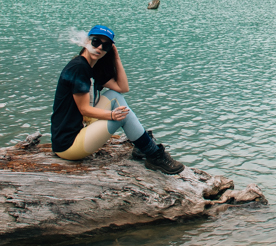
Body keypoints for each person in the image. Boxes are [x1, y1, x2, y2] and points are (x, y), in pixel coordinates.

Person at [50, 25, 185, 174]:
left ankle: (142, 145)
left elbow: (122, 88)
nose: (100, 47)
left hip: (78, 129)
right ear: (86, 42)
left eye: (106, 45)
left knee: (115, 96)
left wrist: (116, 57)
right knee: (122, 116)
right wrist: (112, 116)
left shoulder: (91, 67)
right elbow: (84, 109)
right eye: (96, 42)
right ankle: (153, 154)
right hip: (68, 145)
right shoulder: (78, 68)